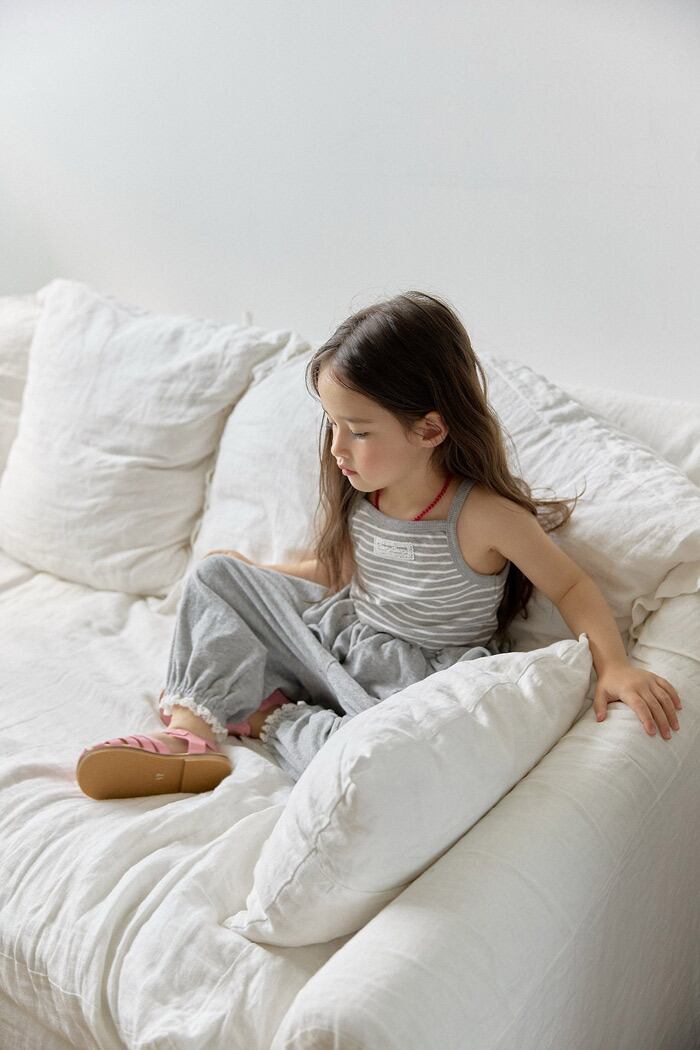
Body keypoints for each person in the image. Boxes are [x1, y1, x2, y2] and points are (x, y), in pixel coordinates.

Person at [75, 290, 682, 799]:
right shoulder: (365, 493)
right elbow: (338, 569)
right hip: (338, 639)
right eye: (333, 425)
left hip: (409, 681)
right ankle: (191, 734)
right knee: (215, 575)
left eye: (359, 431)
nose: (337, 448)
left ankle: (275, 719)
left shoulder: (484, 516)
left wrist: (615, 665)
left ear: (430, 429)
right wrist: (250, 574)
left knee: (384, 761)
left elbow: (571, 586)